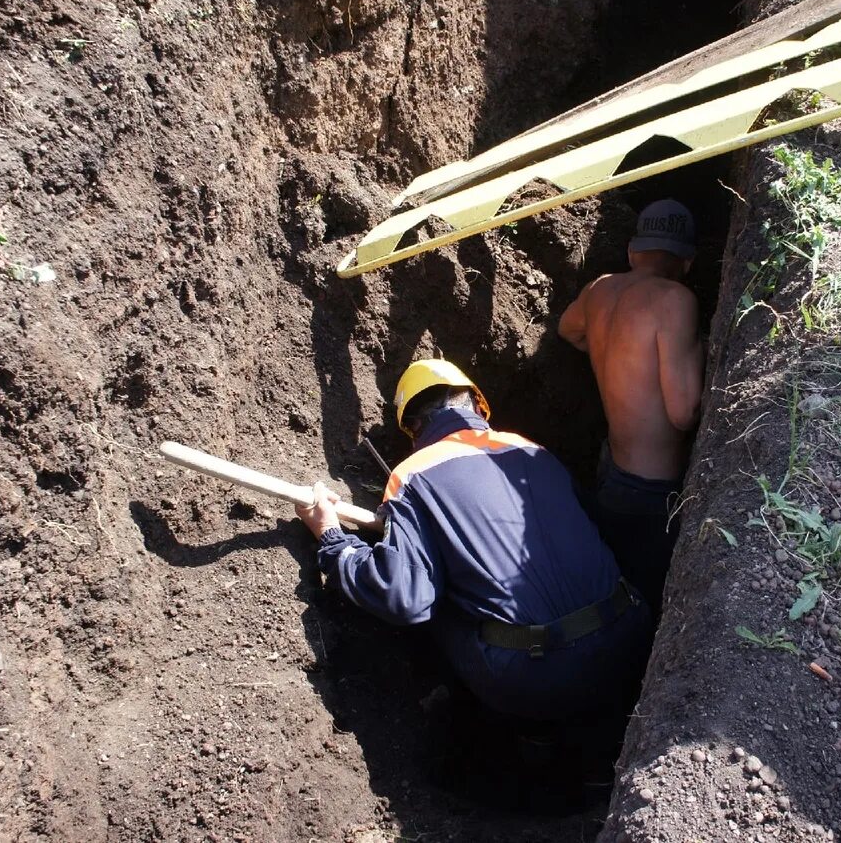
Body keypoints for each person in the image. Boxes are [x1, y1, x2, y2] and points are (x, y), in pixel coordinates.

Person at [296, 358, 651, 722]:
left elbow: (404, 598)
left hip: (540, 679)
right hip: (633, 638)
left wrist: (335, 541)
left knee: (438, 602)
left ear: (414, 429)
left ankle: (510, 736)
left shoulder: (411, 475)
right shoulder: (534, 450)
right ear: (479, 407)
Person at [557, 199, 705, 612]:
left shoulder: (599, 288)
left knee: (609, 593)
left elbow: (567, 330)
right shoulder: (676, 301)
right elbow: (683, 413)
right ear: (688, 263)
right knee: (647, 608)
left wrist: (612, 358)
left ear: (631, 251)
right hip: (653, 495)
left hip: (611, 472)